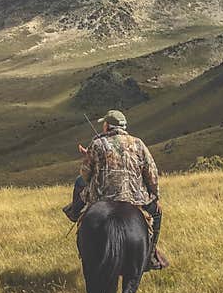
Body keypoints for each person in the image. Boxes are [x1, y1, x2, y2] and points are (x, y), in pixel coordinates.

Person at [63, 109, 166, 270]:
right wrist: (156, 196)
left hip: (101, 197)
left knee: (78, 182)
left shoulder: (97, 143)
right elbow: (151, 172)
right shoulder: (138, 143)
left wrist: (89, 156)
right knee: (157, 214)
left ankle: (75, 213)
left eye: (104, 123)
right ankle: (151, 255)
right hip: (135, 197)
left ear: (107, 126)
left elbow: (85, 174)